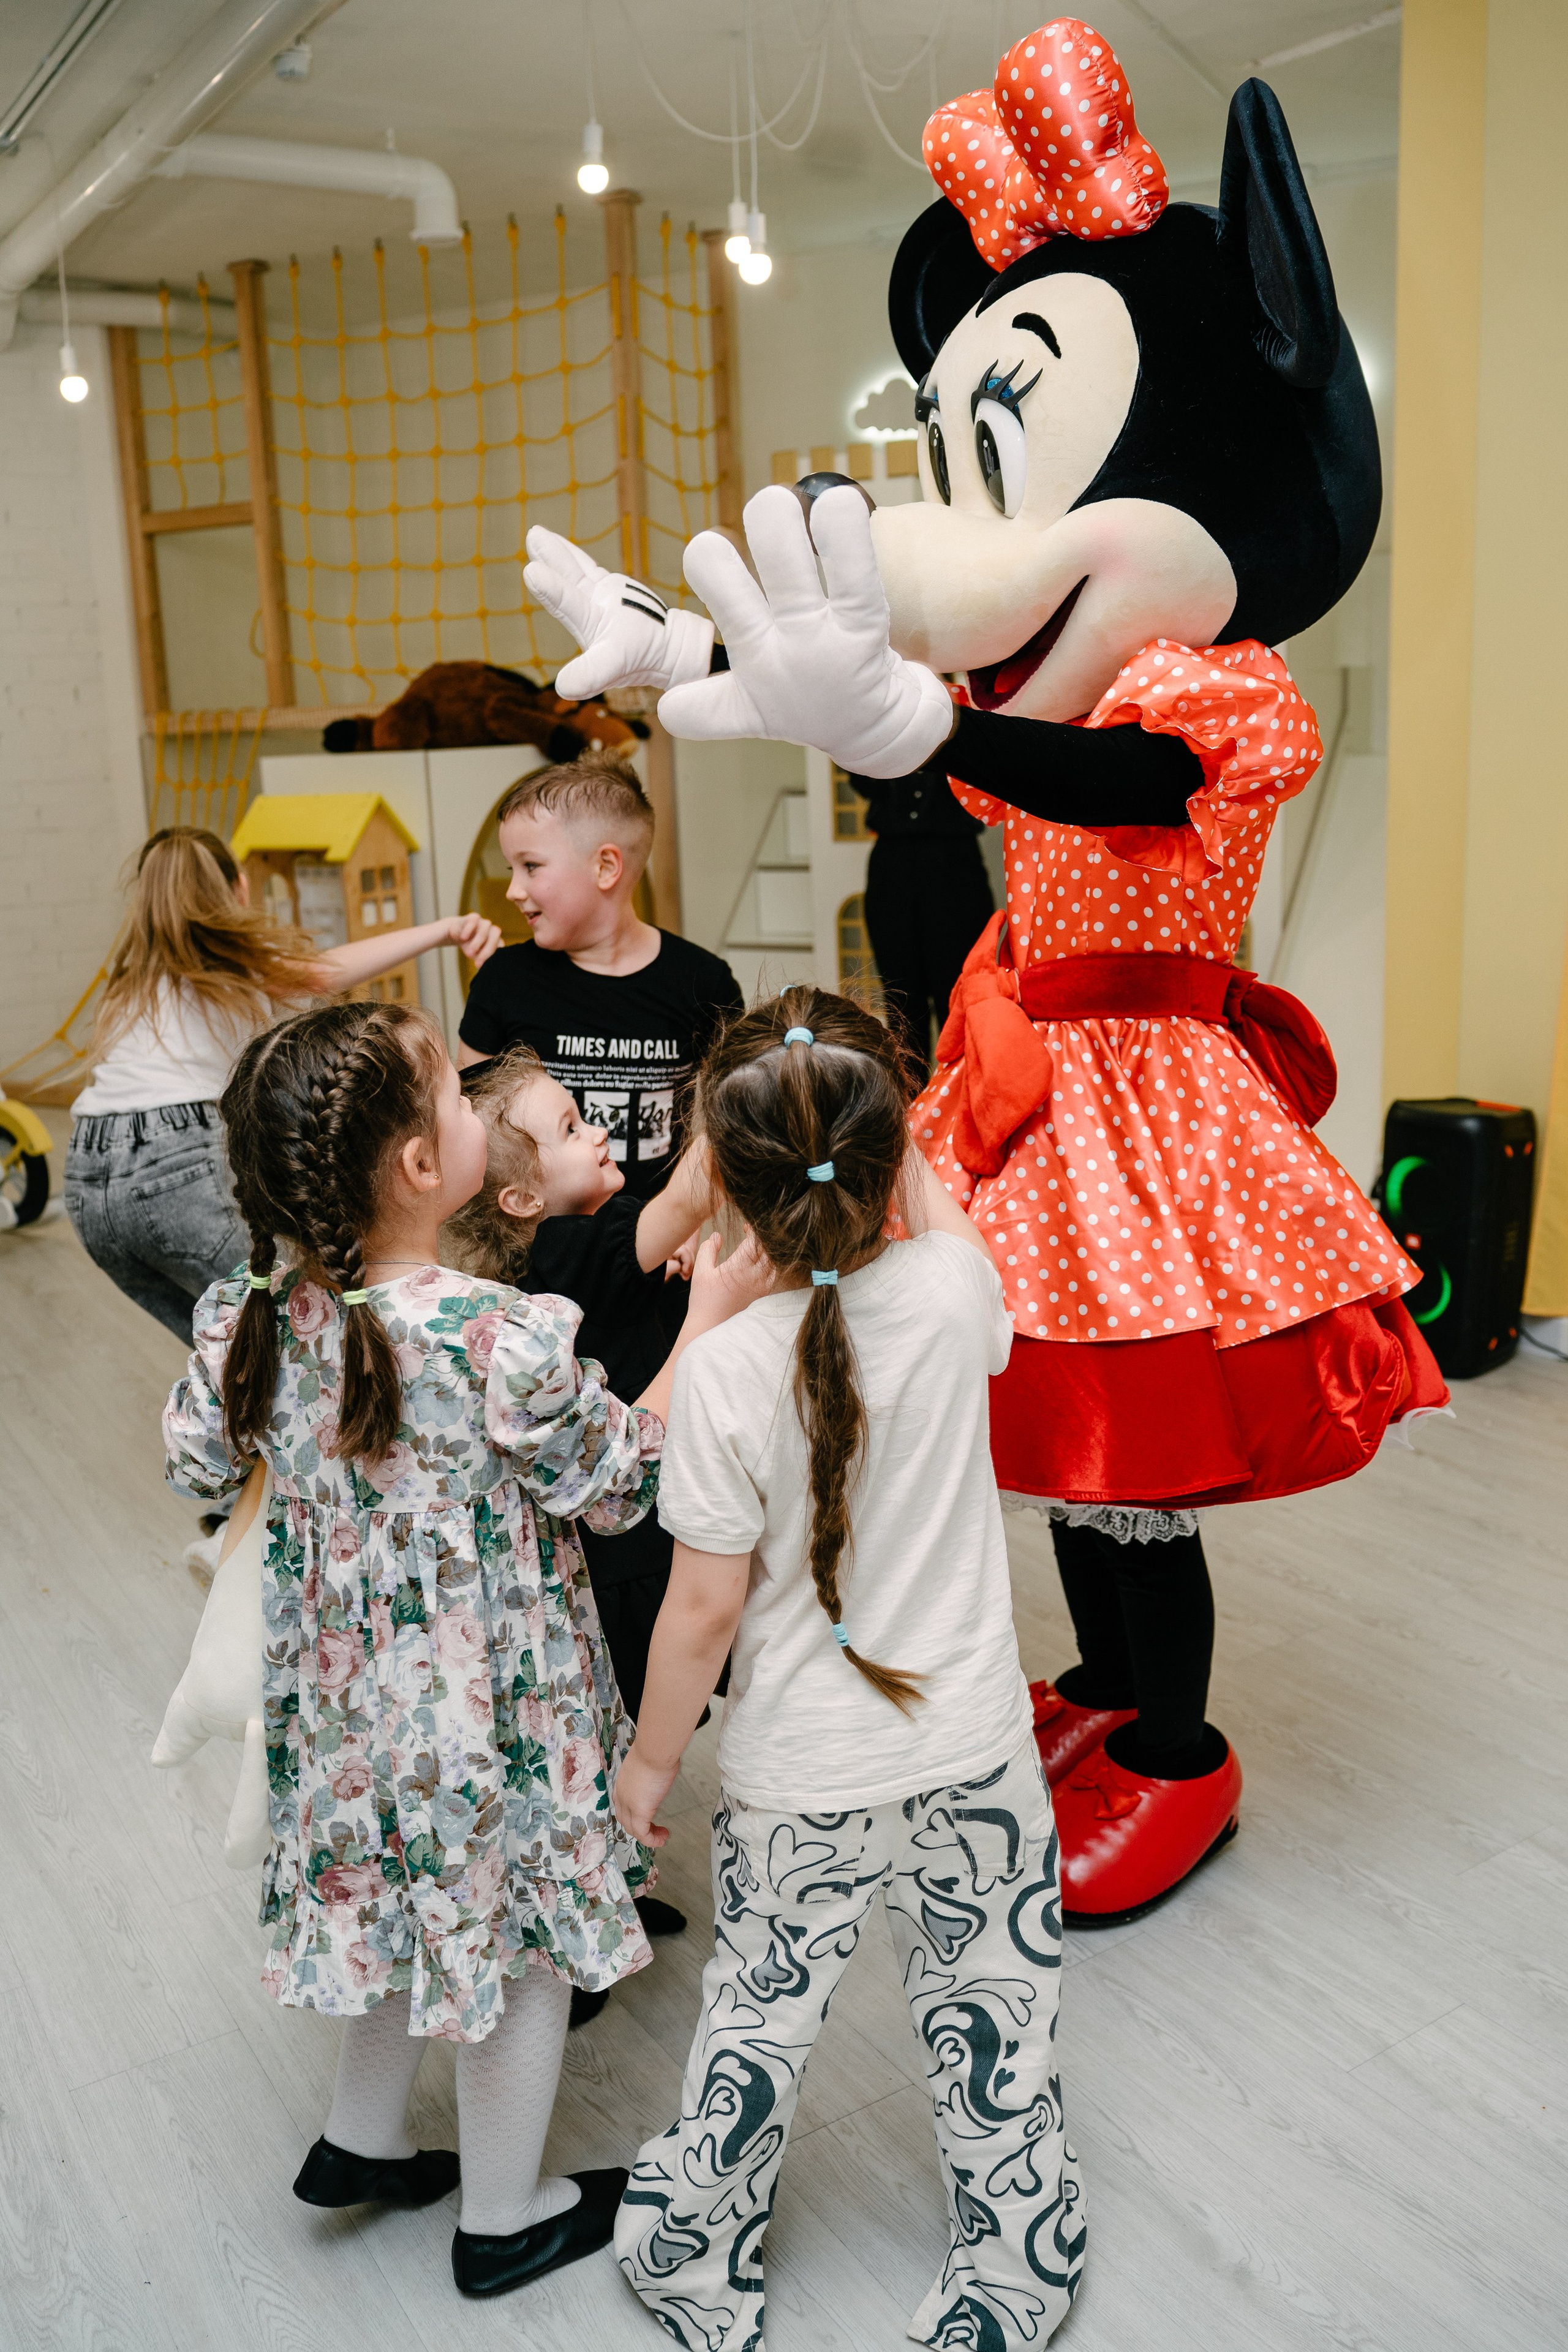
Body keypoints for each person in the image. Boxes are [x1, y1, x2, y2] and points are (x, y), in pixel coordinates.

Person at [161, 999, 765, 2300]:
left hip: (341, 1719)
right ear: (423, 1169)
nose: (472, 1098)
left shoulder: (246, 1320)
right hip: (490, 1723)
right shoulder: (498, 1332)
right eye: (451, 1089)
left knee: (394, 1919)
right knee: (521, 1951)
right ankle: (507, 2212)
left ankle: (361, 2140)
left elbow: (192, 1463)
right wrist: (707, 1313)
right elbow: (621, 1479)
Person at [611, 986, 1086, 2351]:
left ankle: (694, 2261)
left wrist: (649, 1769)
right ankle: (1016, 2268)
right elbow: (935, 1229)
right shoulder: (951, 1296)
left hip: (800, 1778)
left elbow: (697, 1616)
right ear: (891, 1161)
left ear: (725, 1189)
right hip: (976, 1757)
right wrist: (901, 1148)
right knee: (995, 2015)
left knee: (755, 2028)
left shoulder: (719, 1375)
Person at [443, 1044, 717, 1984]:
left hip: (646, 1525)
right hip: (619, 1545)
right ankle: (578, 1926)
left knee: (626, 1725)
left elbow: (657, 1224)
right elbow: (668, 1214)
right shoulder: (558, 1256)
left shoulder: (597, 1224)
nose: (598, 1130)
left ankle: (613, 1884)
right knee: (615, 1731)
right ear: (520, 1199)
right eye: (570, 1128)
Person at [67, 826, 502, 1345]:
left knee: (232, 1348)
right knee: (295, 1336)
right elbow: (323, 974)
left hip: (85, 1176)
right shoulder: (225, 960)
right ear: (237, 889)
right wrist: (446, 930)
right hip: (170, 1158)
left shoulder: (131, 977)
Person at [456, 755, 742, 1205]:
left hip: (660, 1250)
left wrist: (687, 1221)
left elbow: (731, 1122)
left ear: (606, 867)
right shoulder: (502, 981)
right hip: (537, 1256)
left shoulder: (703, 982)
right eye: (511, 868)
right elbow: (469, 1127)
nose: (512, 889)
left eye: (530, 866)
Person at [850, 750, 993, 1066]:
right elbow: (861, 778)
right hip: (893, 860)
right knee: (900, 995)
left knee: (959, 992)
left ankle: (961, 1100)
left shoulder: (969, 706)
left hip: (954, 861)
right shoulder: (879, 717)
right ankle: (909, 1105)